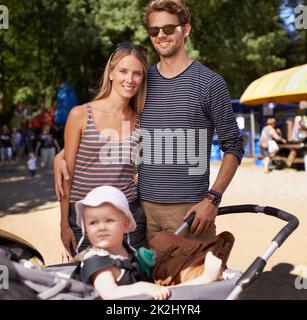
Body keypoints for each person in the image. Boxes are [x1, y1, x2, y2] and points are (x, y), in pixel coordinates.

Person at [54, 0, 244, 244]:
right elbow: (110, 123)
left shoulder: (210, 83)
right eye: (154, 30)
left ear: (185, 30)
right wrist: (62, 155)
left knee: (194, 281)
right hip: (142, 209)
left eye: (168, 28)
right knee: (144, 280)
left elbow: (234, 146)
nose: (161, 35)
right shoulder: (142, 82)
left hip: (189, 211)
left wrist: (213, 199)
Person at [59, 43, 148, 263]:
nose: (130, 79)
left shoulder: (141, 120)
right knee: (90, 288)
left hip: (128, 218)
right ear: (110, 73)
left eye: (137, 73)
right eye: (123, 71)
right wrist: (63, 225)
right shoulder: (80, 114)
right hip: (86, 220)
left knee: (132, 284)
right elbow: (66, 175)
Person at [75, 185, 223, 300]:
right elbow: (110, 294)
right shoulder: (96, 261)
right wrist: (142, 287)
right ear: (85, 228)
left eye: (109, 221)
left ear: (126, 224)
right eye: (93, 222)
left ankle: (203, 278)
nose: (101, 227)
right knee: (170, 294)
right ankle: (205, 279)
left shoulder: (124, 250)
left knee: (167, 287)